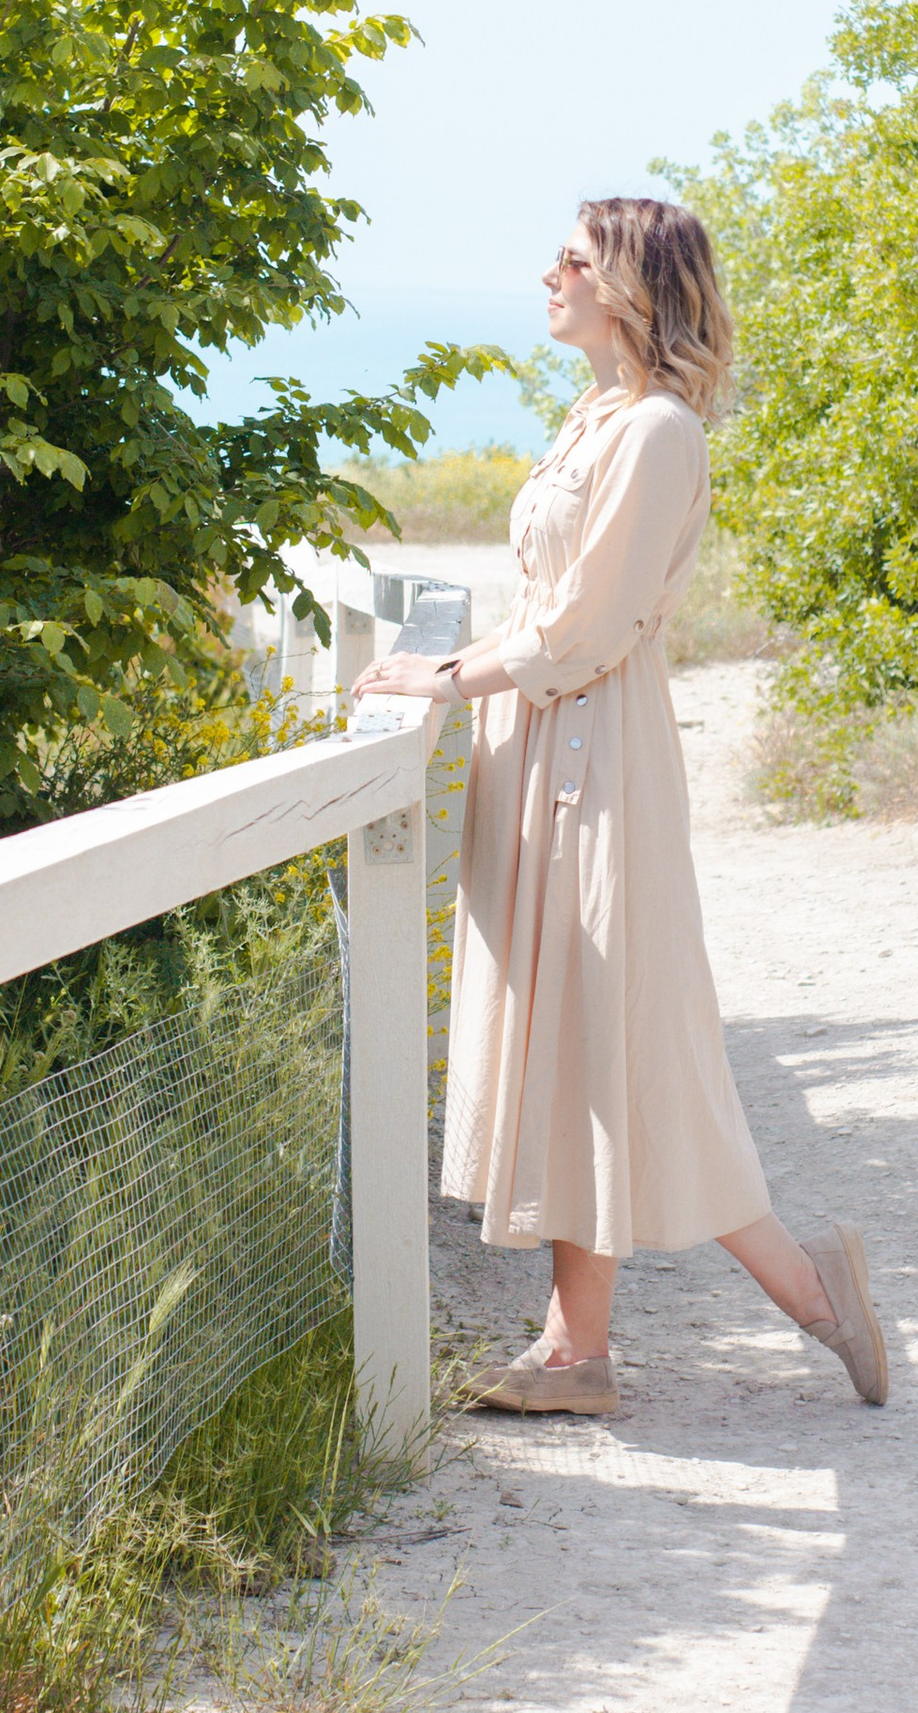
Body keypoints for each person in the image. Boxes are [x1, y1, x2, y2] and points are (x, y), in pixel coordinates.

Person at [352, 195, 889, 1419]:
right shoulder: (592, 416)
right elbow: (549, 600)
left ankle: (804, 1299)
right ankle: (578, 1353)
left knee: (619, 1040)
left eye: (574, 260)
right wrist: (458, 671)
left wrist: (447, 675)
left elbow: (590, 627)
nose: (548, 273)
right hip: (542, 747)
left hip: (597, 764)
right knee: (575, 1045)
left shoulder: (657, 434)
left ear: (632, 287)